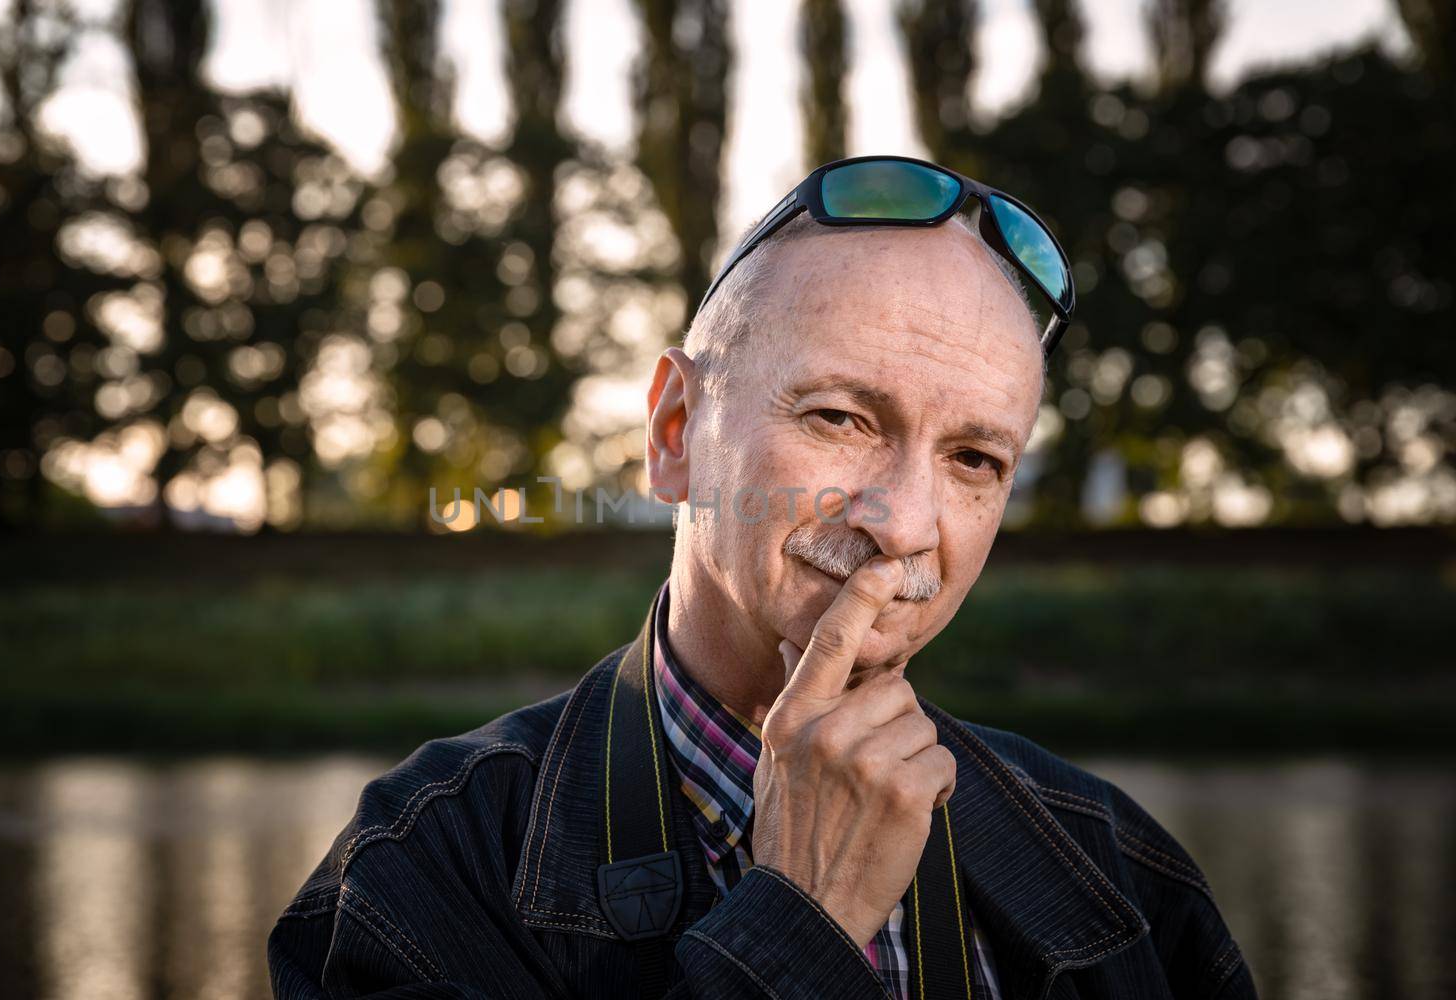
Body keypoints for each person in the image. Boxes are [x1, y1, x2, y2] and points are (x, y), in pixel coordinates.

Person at [268, 156, 1258, 999]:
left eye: (974, 461)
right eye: (839, 417)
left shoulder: (1119, 865)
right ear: (673, 435)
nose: (905, 525)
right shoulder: (424, 866)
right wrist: (799, 926)